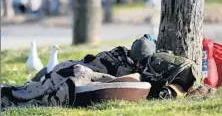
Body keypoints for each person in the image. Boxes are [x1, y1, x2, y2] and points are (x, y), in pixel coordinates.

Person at [1, 35, 213, 109]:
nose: (138, 66)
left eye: (141, 63)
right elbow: (96, 66)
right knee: (59, 74)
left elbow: (121, 81)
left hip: (78, 73)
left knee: (54, 80)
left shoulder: (152, 67)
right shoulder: (123, 57)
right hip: (78, 69)